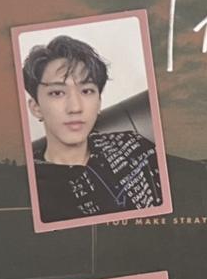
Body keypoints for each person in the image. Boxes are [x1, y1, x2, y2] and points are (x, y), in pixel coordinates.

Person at [22, 35, 163, 223]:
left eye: (87, 91)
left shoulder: (132, 144)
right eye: (57, 93)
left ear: (98, 103)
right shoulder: (27, 186)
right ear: (36, 108)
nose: (75, 107)